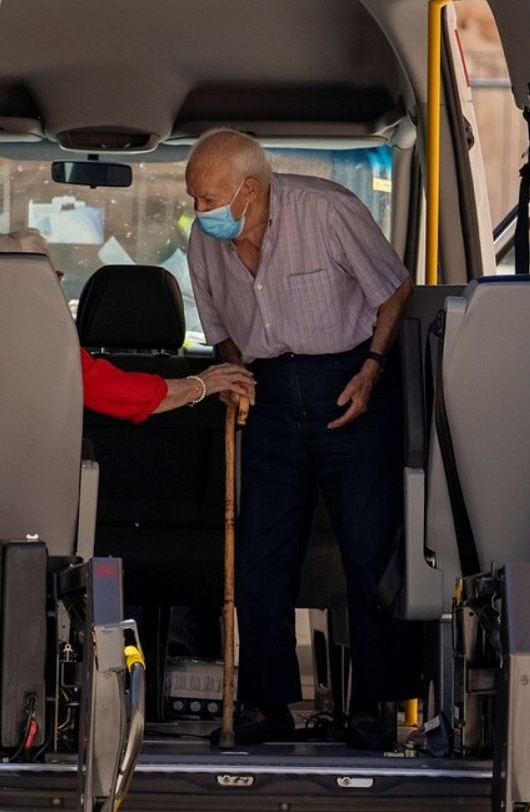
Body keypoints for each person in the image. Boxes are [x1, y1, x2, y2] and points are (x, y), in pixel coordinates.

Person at [184, 128, 417, 750]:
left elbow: (394, 287)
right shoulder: (205, 242)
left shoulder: (328, 210)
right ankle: (266, 705)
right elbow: (216, 323)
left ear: (249, 190)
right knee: (262, 554)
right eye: (194, 199)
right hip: (268, 391)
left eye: (207, 199)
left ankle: (374, 704)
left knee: (368, 548)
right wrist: (236, 372)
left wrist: (372, 368)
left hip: (348, 381)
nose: (197, 212)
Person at [0, 229, 254, 421]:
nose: (58, 283)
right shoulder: (46, 352)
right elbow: (122, 393)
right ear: (34, 283)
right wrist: (200, 385)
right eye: (53, 275)